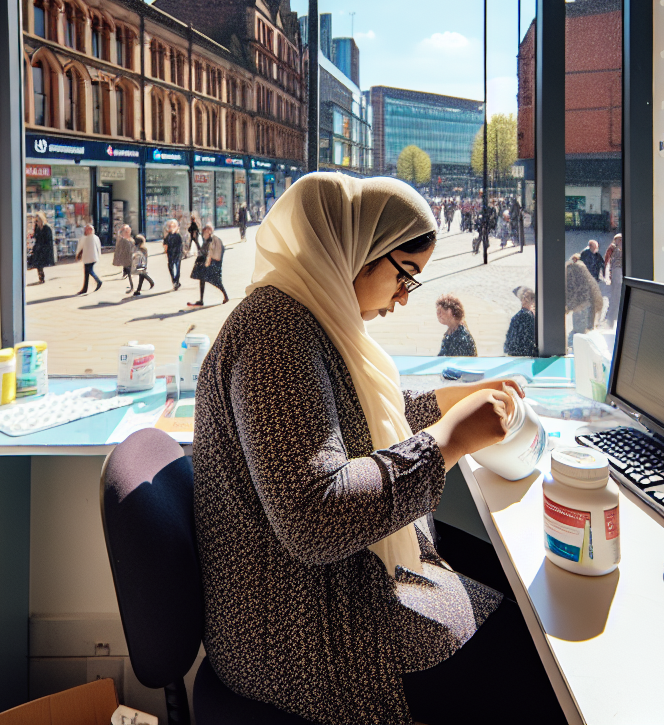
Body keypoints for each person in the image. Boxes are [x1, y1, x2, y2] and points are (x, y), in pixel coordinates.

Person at [192, 173, 565, 725]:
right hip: (297, 630)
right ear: (357, 250)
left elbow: (353, 412)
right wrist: (450, 440)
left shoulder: (307, 316)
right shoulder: (275, 334)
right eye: (405, 276)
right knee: (536, 662)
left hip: (319, 593)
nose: (402, 299)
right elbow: (314, 515)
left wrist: (447, 401)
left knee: (518, 598)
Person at [566, 253, 603, 346]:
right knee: (585, 328)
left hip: (579, 304)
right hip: (586, 303)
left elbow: (570, 288)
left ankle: (576, 344)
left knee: (578, 328)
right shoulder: (582, 268)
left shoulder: (571, 268)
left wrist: (568, 305)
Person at [188, 222, 228, 306]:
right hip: (205, 262)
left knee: (216, 281)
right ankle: (201, 300)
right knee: (202, 279)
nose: (203, 234)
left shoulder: (214, 239)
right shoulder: (207, 239)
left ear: (209, 231)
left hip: (211, 264)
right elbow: (203, 250)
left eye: (205, 232)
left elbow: (214, 252)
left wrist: (209, 261)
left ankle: (226, 296)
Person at [504, 287, 538, 357]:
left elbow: (509, 343)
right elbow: (528, 341)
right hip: (523, 357)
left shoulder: (519, 315)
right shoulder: (527, 315)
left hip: (515, 355)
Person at [74, 224, 102, 295]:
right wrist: (77, 254)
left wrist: (99, 256)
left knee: (89, 270)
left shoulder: (93, 238)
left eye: (90, 229)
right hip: (87, 257)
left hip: (92, 257)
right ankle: (84, 288)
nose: (89, 231)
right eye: (88, 229)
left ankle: (98, 281)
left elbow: (98, 247)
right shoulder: (85, 238)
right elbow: (80, 247)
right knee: (86, 273)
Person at [27, 211, 54, 284]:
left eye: (37, 220)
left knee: (41, 263)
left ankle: (42, 277)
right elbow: (36, 236)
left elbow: (49, 239)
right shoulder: (37, 227)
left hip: (44, 247)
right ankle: (41, 277)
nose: (36, 222)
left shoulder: (46, 228)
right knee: (38, 263)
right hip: (38, 247)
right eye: (36, 220)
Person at [604, 233, 623, 321]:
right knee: (615, 294)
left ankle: (614, 316)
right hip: (616, 270)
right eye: (619, 239)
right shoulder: (613, 247)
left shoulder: (622, 247)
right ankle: (610, 317)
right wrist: (606, 273)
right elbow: (606, 259)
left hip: (621, 271)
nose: (620, 241)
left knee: (617, 295)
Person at [113, 224, 135, 292]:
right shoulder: (124, 240)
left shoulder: (128, 240)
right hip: (127, 259)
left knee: (132, 273)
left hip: (129, 259)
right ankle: (132, 287)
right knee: (129, 273)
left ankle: (132, 287)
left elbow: (128, 250)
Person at [163, 219, 183, 291]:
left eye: (173, 226)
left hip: (177, 253)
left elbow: (180, 245)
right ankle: (174, 281)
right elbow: (165, 245)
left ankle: (176, 281)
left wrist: (181, 253)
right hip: (170, 253)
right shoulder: (167, 236)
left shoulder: (178, 235)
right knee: (171, 267)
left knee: (177, 268)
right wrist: (166, 250)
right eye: (170, 226)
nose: (172, 227)